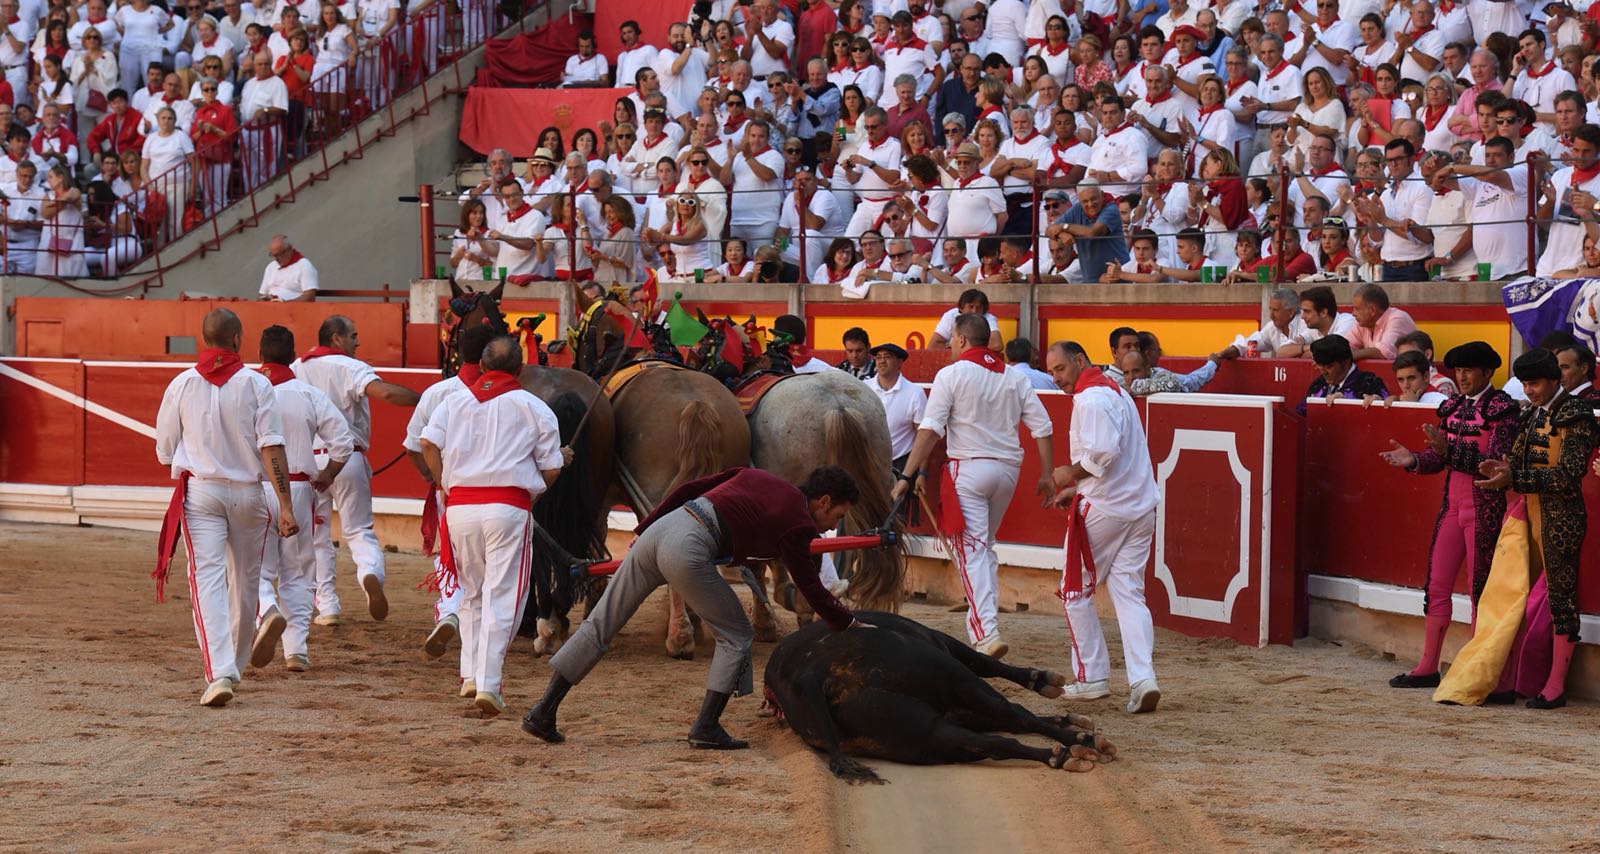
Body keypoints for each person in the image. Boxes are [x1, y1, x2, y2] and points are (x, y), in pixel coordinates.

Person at [523, 465, 865, 747]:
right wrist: (849, 622)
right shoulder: (799, 524)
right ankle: (706, 727)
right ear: (823, 501)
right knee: (736, 633)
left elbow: (690, 488)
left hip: (662, 530)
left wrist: (644, 527)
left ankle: (542, 711)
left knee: (600, 625)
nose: (834, 525)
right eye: (838, 514)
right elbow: (811, 587)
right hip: (690, 546)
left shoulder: (756, 475)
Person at [1436, 349, 1597, 709]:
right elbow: (1515, 457)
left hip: (1561, 518)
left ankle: (1555, 686)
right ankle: (1510, 680)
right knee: (1510, 597)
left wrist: (1515, 476)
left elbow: (1569, 473)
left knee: (1560, 599)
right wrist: (1500, 469)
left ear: (1555, 379)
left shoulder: (1577, 414)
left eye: (1535, 383)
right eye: (1525, 384)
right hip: (1527, 514)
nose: (1529, 391)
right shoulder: (1531, 413)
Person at [153, 309, 297, 707]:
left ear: (205, 339)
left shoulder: (181, 384)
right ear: (237, 339)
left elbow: (164, 450)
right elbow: (271, 445)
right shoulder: (256, 384)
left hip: (202, 493)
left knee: (208, 581)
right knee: (247, 581)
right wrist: (285, 505)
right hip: (250, 493)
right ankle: (233, 664)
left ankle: (219, 672)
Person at [893, 313, 1055, 657]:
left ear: (963, 340)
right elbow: (1043, 427)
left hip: (969, 469)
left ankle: (985, 631)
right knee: (986, 546)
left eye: (952, 338)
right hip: (1008, 472)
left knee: (974, 551)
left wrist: (907, 475)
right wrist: (1045, 474)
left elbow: (930, 429)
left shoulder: (951, 374)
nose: (950, 344)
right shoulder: (1013, 376)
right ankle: (989, 620)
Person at [418, 335, 564, 717]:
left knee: (471, 592)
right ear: (520, 370)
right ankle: (489, 683)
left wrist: (444, 483)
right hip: (507, 507)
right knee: (504, 596)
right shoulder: (534, 406)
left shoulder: (454, 401)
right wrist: (534, 493)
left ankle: (470, 674)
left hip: (461, 506)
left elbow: (427, 445)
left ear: (482, 367)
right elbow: (551, 466)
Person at [1378, 342, 1516, 687]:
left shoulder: (1503, 409)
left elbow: (1492, 467)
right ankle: (1428, 666)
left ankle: (1479, 672)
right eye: (1458, 370)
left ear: (1488, 373)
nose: (1462, 376)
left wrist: (1446, 450)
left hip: (1486, 508)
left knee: (1479, 590)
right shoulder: (1452, 407)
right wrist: (1414, 460)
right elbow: (1438, 459)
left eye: (1470, 370)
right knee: (1436, 585)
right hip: (1452, 508)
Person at [1042, 340, 1161, 713]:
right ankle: (1143, 679)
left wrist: (1067, 474)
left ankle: (1091, 676)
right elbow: (1117, 453)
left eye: (1060, 369)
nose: (1056, 377)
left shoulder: (1091, 398)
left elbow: (1102, 455)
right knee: (1129, 593)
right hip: (1141, 506)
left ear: (1080, 360)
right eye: (1051, 371)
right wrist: (1078, 485)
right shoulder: (1117, 391)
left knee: (1074, 590)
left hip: (1107, 507)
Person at [292, 314, 421, 625]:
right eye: (353, 336)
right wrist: (424, 399)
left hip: (309, 460)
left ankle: (327, 607)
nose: (357, 342)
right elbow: (387, 394)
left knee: (317, 536)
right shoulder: (350, 368)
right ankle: (369, 574)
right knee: (358, 531)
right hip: (347, 458)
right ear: (336, 338)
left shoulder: (297, 368)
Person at [252, 325, 352, 673]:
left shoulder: (245, 388)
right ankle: (296, 650)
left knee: (256, 570)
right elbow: (343, 442)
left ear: (260, 354)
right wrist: (328, 474)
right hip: (297, 488)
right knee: (297, 573)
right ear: (292, 355)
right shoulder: (308, 394)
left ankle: (267, 610)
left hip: (253, 489)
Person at [404, 322, 499, 668]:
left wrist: (434, 478)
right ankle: (487, 635)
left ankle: (450, 611)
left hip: (454, 490)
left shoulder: (439, 393)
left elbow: (416, 444)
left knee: (453, 558)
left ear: (457, 352)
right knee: (497, 566)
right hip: (504, 494)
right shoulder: (514, 395)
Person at [865, 342, 926, 473]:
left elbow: (923, 436)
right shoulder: (863, 388)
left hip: (901, 466)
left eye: (887, 357)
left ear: (900, 362)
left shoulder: (915, 393)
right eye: (878, 357)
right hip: (867, 464)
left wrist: (922, 473)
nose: (882, 361)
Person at [1299, 334, 1389, 415]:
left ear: (1345, 363)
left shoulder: (1370, 383)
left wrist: (1346, 402)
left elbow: (1387, 414)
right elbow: (1301, 414)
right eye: (1319, 365)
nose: (1323, 372)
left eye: (1329, 366)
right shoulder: (1319, 384)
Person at [1218, 287, 1307, 359]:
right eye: (1270, 309)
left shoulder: (1306, 323)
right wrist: (1222, 354)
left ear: (1291, 312)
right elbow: (1249, 343)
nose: (1271, 315)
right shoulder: (1272, 327)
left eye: (1275, 310)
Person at [1278, 285, 1358, 358]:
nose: (1302, 317)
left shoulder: (1347, 322)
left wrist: (1300, 351)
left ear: (1323, 312)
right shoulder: (1314, 329)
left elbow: (1332, 353)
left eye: (1307, 311)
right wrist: (1306, 348)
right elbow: (1281, 352)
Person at [1347, 283, 1417, 361]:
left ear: (1372, 310)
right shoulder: (1362, 323)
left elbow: (1384, 352)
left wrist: (1349, 356)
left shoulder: (1398, 318)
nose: (1353, 313)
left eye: (1357, 309)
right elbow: (1344, 346)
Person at [930, 288, 1002, 350]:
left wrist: (959, 349)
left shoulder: (988, 318)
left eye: (978, 308)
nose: (974, 311)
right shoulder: (951, 315)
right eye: (971, 307)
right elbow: (933, 345)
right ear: (961, 308)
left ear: (984, 310)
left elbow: (997, 345)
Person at [258, 234, 318, 301]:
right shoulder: (271, 267)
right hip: (271, 307)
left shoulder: (304, 266)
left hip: (294, 309)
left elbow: (309, 297)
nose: (276, 259)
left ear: (289, 248)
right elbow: (261, 295)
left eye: (279, 254)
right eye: (273, 255)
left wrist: (286, 304)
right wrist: (264, 299)